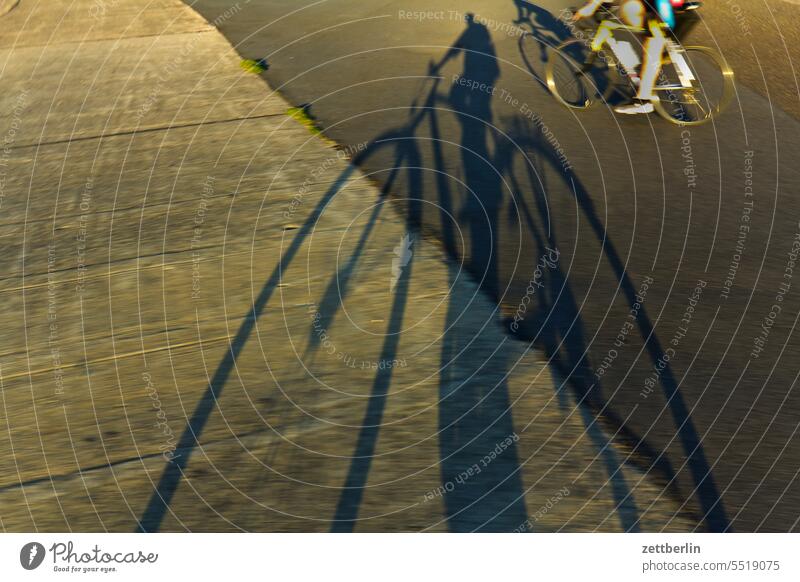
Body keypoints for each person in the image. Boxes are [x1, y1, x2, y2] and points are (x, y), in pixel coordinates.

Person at [573, 0, 677, 114]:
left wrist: (591, 7)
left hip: (662, 14)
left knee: (651, 52)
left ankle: (643, 102)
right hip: (659, 9)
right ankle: (646, 76)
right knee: (635, 24)